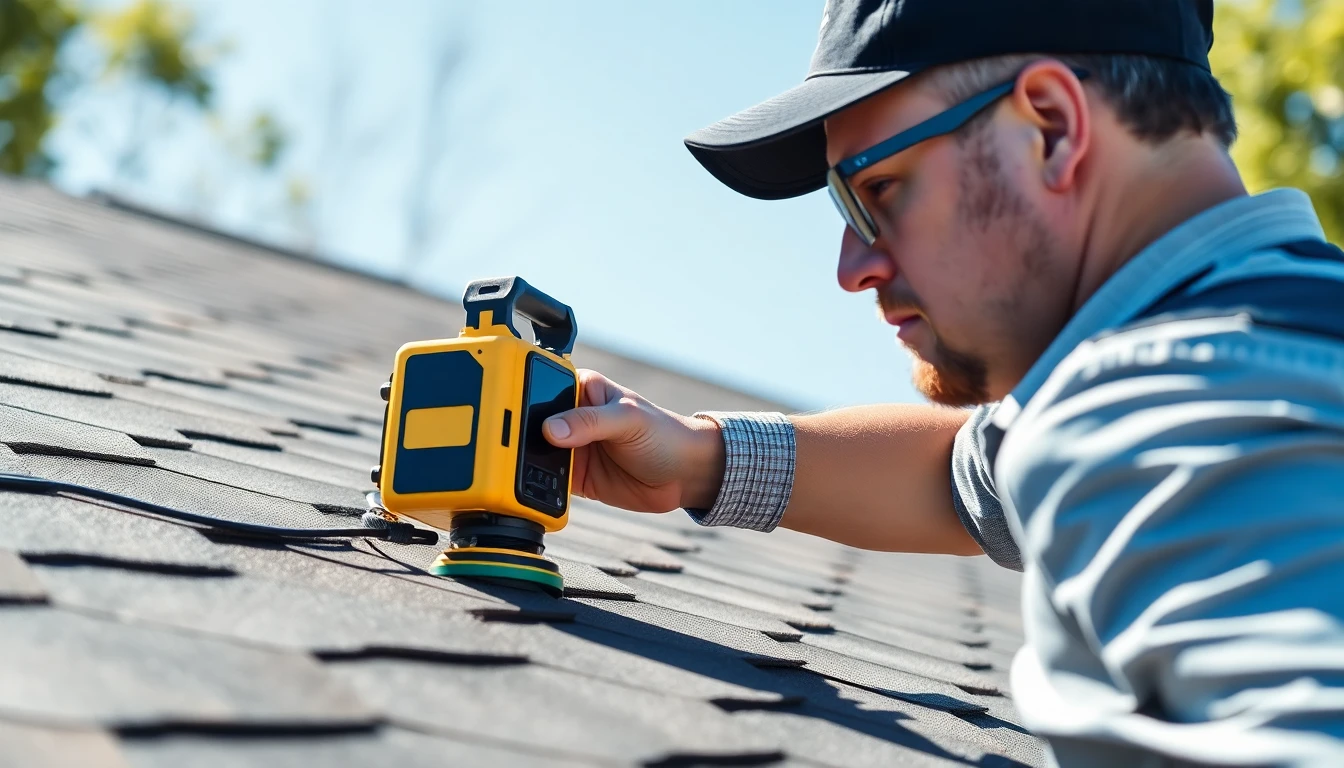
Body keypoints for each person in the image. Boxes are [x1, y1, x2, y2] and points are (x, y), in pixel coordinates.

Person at [543, 0, 1344, 764]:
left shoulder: (1167, 420)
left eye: (877, 189)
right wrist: (697, 460)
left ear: (1051, 128)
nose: (853, 268)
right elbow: (971, 475)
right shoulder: (1259, 346)